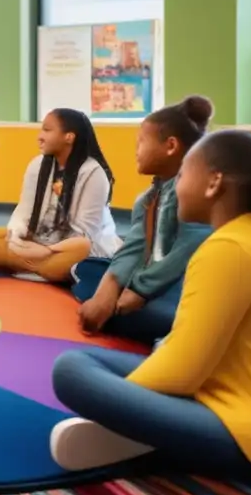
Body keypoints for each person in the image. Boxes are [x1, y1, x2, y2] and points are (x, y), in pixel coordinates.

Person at [50, 130, 251, 495]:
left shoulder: (231, 247)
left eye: (184, 174)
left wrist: (121, 404)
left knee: (72, 371)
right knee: (87, 361)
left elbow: (181, 373)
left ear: (214, 182)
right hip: (250, 406)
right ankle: (150, 430)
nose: (178, 184)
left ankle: (148, 435)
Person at [72, 96, 214, 344]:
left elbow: (183, 252)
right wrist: (110, 289)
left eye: (141, 142)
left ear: (171, 146)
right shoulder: (153, 194)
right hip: (159, 281)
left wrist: (139, 290)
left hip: (189, 287)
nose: (136, 150)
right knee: (84, 270)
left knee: (97, 294)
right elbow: (136, 245)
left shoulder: (191, 193)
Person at [0, 109, 119, 282]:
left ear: (69, 137)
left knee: (81, 248)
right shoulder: (37, 165)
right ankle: (43, 270)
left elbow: (85, 232)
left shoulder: (93, 173)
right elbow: (23, 211)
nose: (39, 136)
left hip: (69, 248)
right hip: (35, 243)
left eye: (47, 130)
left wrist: (49, 250)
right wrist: (17, 237)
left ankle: (25, 266)